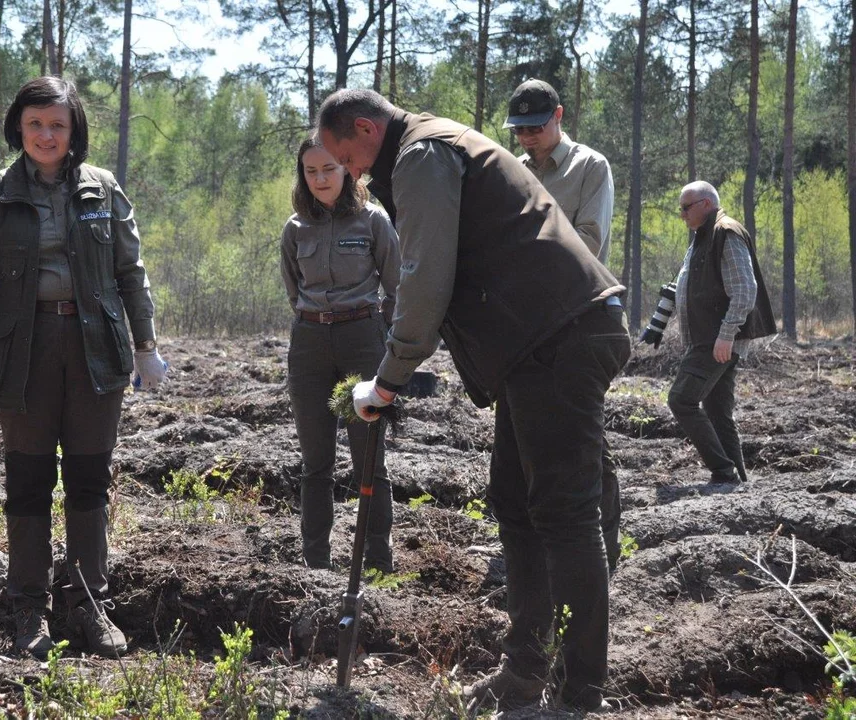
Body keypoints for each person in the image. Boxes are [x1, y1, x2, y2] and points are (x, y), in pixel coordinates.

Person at [316, 88, 630, 714]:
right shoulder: (426, 147)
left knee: (565, 515)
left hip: (559, 339)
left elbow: (426, 277)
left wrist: (388, 378)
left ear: (365, 128)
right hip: (535, 346)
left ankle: (580, 692)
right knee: (516, 506)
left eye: (346, 159)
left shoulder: (423, 155)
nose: (349, 174)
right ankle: (523, 673)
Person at [0, 76, 168, 659]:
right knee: (29, 478)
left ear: (75, 130)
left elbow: (130, 272)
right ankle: (28, 610)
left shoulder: (104, 188)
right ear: (19, 126)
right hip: (21, 350)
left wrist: (145, 344)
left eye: (58, 125)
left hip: (97, 348)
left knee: (90, 478)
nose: (47, 135)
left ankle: (91, 603)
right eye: (36, 123)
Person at [503, 79, 623, 574]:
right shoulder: (509, 172)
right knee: (536, 434)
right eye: (519, 130)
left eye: (535, 126)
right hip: (524, 324)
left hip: (576, 318)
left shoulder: (589, 167)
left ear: (559, 115)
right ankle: (538, 541)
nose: (527, 137)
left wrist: (522, 264)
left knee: (583, 437)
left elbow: (589, 242)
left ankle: (605, 542)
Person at [280, 136, 401, 573]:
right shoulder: (295, 228)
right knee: (316, 463)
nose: (320, 179)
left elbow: (396, 286)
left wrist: (384, 340)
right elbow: (295, 290)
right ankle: (316, 563)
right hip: (310, 345)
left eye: (329, 169)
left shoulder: (373, 222)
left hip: (362, 342)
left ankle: (377, 561)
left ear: (347, 170)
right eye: (311, 171)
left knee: (368, 457)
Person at [640, 181, 775, 483]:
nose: (681, 214)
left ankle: (722, 470)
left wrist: (726, 335)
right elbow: (681, 286)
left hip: (715, 340)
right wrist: (656, 325)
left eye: (685, 207)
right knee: (717, 411)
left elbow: (744, 289)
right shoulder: (702, 238)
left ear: (705, 204)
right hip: (709, 338)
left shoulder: (725, 232)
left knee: (681, 400)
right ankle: (737, 478)